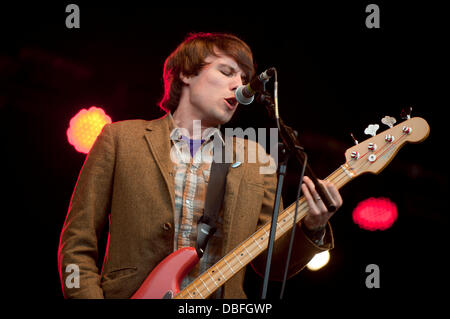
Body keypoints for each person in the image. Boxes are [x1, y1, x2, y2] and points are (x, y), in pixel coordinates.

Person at [57, 32, 343, 299]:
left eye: (244, 77)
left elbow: (272, 266)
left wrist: (311, 227)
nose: (240, 85)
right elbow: (77, 242)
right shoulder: (120, 139)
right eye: (226, 71)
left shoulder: (257, 159)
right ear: (186, 73)